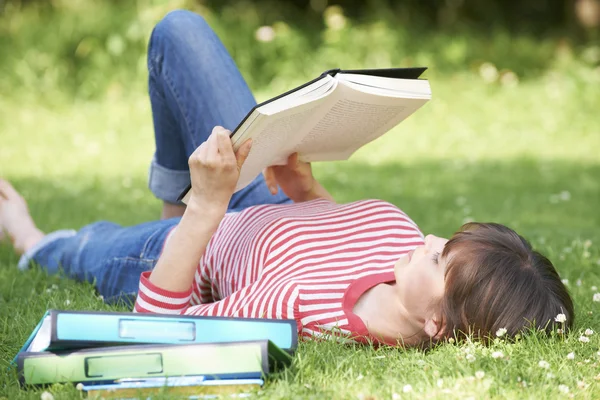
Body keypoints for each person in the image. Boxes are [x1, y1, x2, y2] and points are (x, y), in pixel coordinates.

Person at [0, 10, 573, 347]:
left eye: (438, 261)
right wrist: (306, 191)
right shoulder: (404, 250)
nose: (425, 240)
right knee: (179, 32)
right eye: (445, 242)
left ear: (436, 322)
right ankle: (176, 204)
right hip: (253, 197)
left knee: (79, 250)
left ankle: (29, 235)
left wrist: (203, 208)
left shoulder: (298, 312)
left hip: (196, 241)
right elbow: (334, 237)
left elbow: (156, 327)